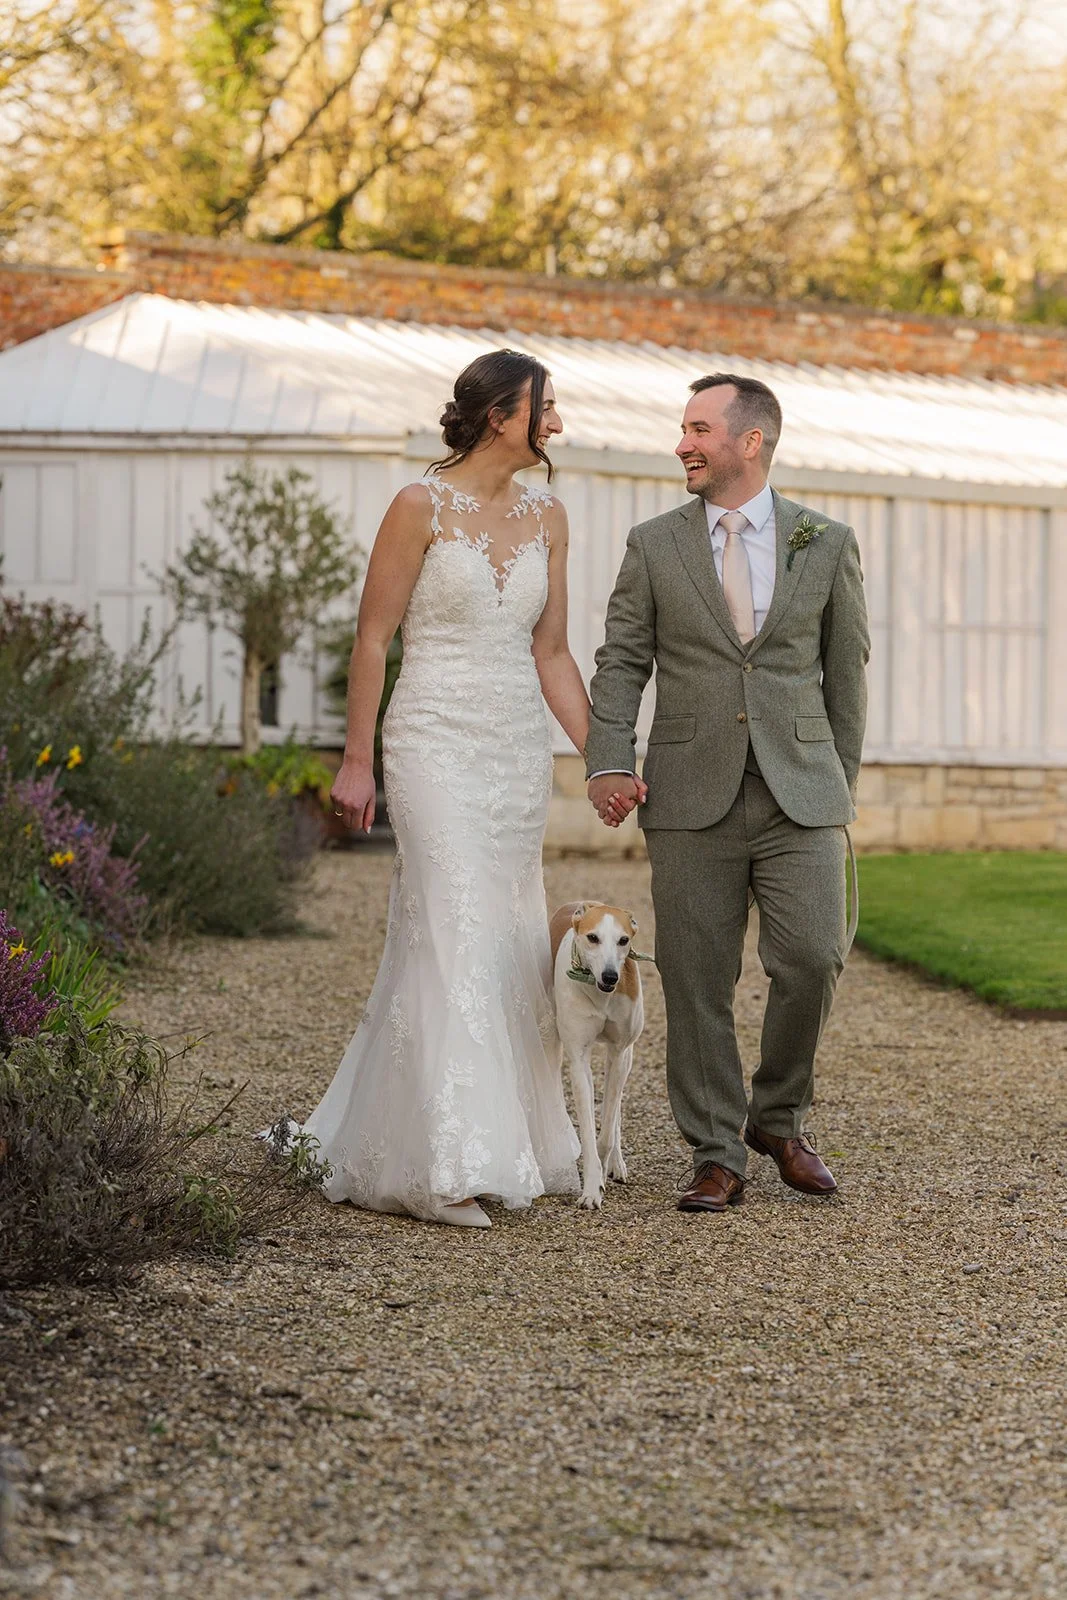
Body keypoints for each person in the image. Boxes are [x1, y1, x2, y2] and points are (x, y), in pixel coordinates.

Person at [299, 350, 615, 1228]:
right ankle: (444, 1166)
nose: (555, 424)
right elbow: (373, 639)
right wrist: (356, 759)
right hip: (432, 735)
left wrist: (604, 757)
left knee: (508, 935)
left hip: (514, 746)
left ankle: (497, 1140)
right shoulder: (417, 506)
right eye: (545, 408)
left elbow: (550, 654)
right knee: (451, 926)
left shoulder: (551, 516)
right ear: (498, 414)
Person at [585, 373, 870, 1212]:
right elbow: (621, 661)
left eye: (700, 428)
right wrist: (608, 758)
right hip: (688, 792)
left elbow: (845, 673)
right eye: (682, 427)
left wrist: (836, 784)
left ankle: (776, 1118)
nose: (684, 442)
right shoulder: (654, 543)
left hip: (800, 792)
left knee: (814, 956)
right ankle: (715, 1148)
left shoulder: (824, 540)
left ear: (750, 441)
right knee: (697, 974)